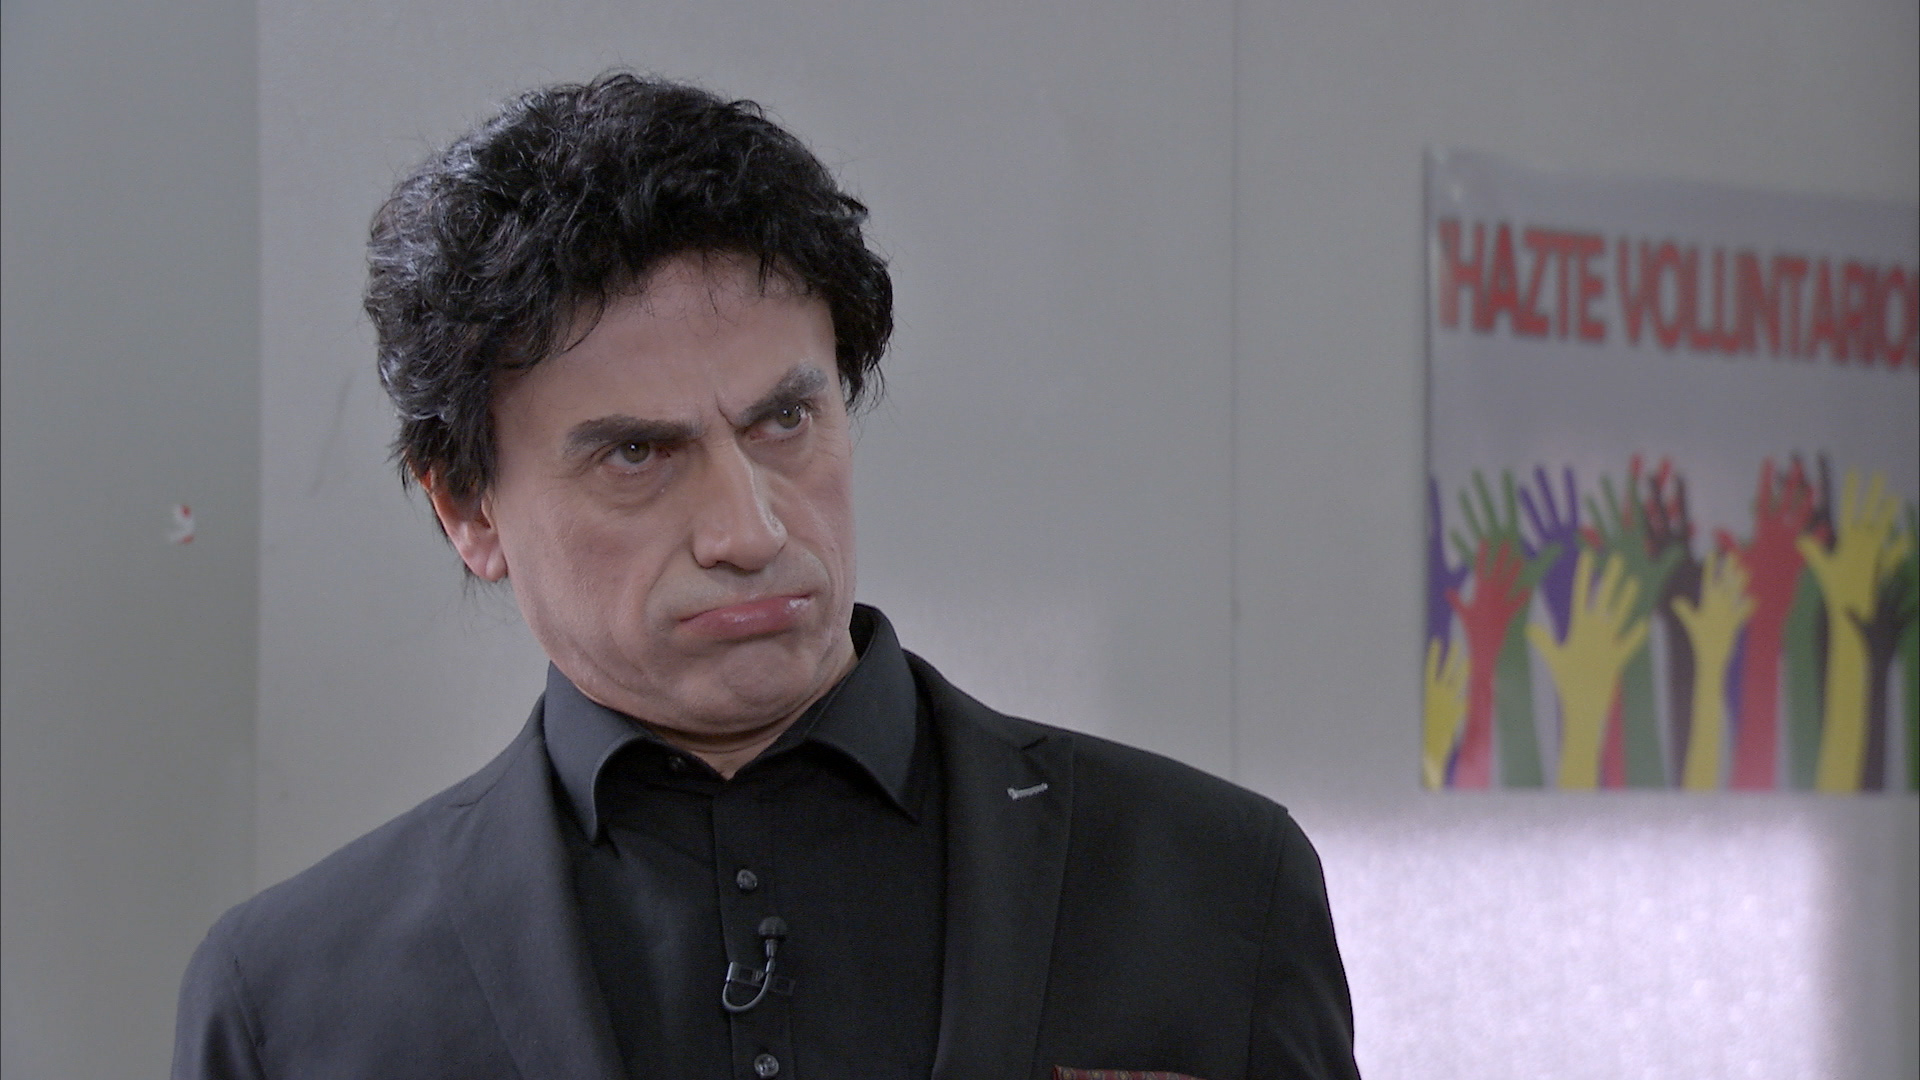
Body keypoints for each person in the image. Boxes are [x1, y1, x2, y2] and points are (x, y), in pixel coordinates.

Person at [173, 71, 1360, 1080]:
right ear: (468, 509)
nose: (747, 530)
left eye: (785, 421)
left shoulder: (1217, 884)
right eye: (638, 455)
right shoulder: (290, 1002)